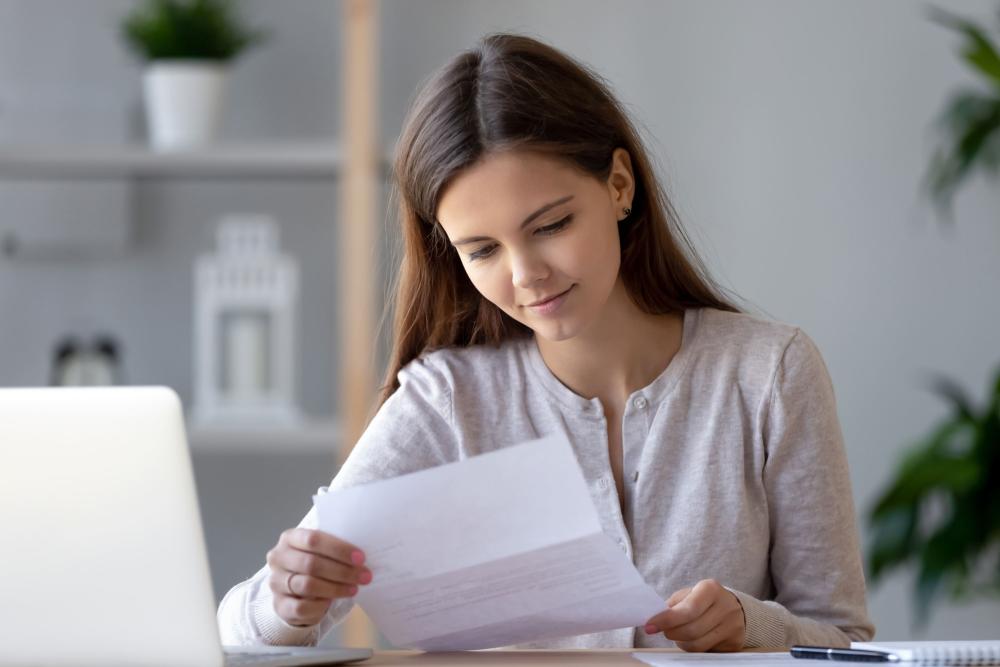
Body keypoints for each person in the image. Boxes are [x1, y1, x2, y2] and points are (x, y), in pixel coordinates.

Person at [217, 33, 874, 651]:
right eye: (481, 250)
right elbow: (236, 629)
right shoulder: (447, 399)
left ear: (619, 185)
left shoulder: (769, 373)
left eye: (552, 224)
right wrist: (288, 601)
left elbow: (846, 638)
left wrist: (749, 623)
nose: (526, 274)